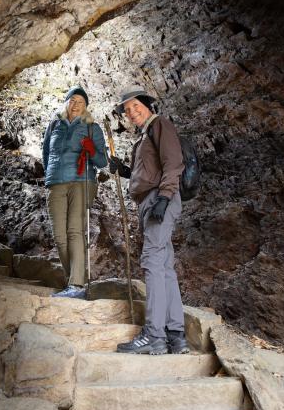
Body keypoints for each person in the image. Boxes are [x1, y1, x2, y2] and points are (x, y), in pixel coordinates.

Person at [109, 85, 189, 355]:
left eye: (135, 106)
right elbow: (149, 171)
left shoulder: (159, 125)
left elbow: (173, 162)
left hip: (159, 199)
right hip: (150, 199)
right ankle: (176, 336)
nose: (131, 112)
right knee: (164, 265)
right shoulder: (144, 136)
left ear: (147, 104)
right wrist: (124, 172)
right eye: (127, 110)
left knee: (152, 260)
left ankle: (154, 336)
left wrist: (165, 197)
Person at [42, 86, 108, 299]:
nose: (76, 104)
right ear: (66, 103)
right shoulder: (54, 126)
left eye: (80, 101)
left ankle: (76, 284)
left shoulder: (92, 128)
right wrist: (50, 175)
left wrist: (91, 149)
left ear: (86, 106)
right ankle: (73, 282)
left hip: (82, 181)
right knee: (59, 235)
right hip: (56, 182)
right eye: (72, 100)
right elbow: (45, 154)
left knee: (74, 232)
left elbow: (102, 161)